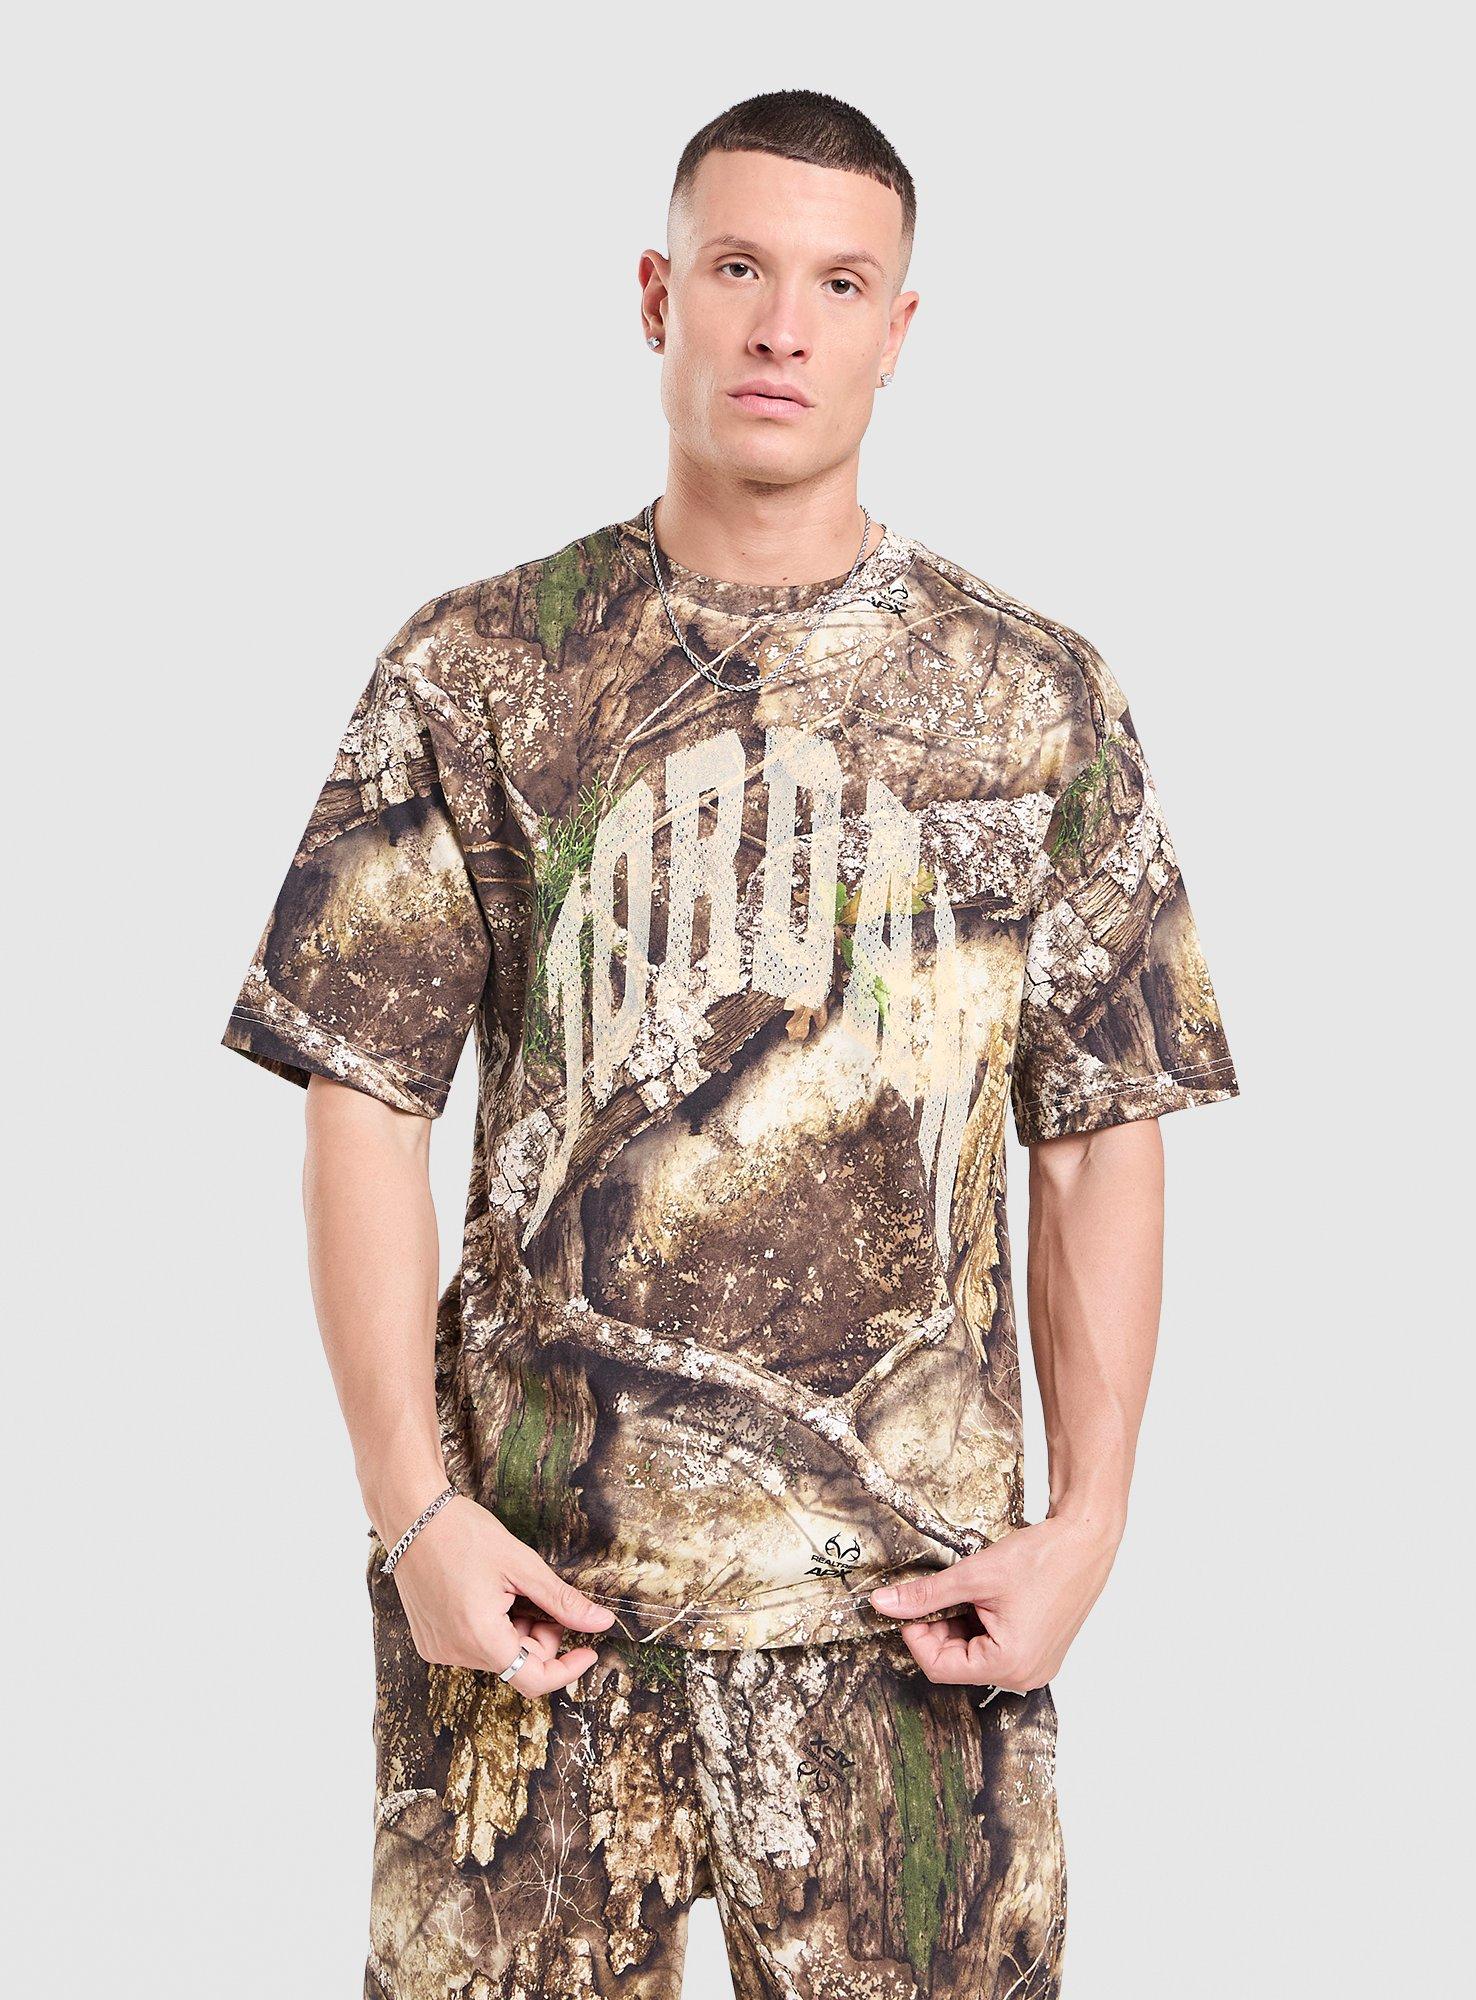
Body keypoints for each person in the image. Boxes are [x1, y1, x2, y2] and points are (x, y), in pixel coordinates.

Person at [221, 87, 1239, 2000]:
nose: (783, 326)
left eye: (840, 284)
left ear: (899, 328)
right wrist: (413, 1510)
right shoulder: (478, 668)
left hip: (911, 1635)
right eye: (740, 268)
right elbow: (363, 1101)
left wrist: (1090, 1523)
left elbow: (1101, 1129)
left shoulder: (1030, 697)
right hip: (533, 1615)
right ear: (656, 293)